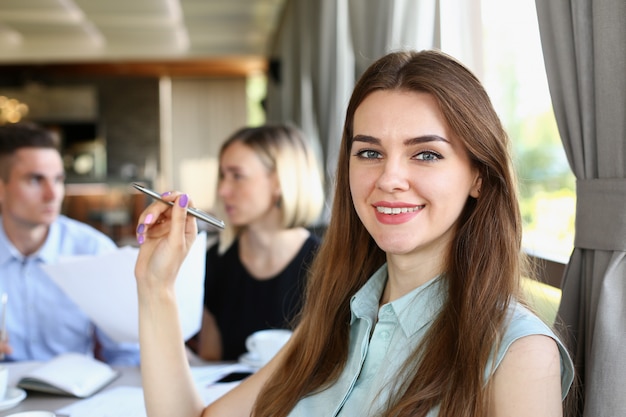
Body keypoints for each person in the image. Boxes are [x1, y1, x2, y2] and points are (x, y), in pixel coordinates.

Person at [134, 49, 574, 417]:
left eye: (425, 154)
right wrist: (156, 288)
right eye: (369, 152)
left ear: (479, 176)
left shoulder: (519, 352)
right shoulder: (332, 321)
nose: (389, 178)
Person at [0, 122, 140, 365]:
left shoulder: (93, 251)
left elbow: (126, 354)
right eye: (35, 180)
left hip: (75, 396)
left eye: (58, 180)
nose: (53, 194)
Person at [193, 124, 325, 361]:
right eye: (223, 175)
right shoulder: (214, 264)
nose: (222, 190)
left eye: (237, 176)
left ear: (279, 182)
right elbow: (210, 363)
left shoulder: (328, 267)